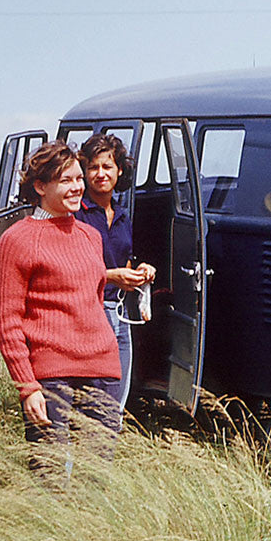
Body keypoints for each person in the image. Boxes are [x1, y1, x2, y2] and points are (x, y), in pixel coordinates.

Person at [0, 141, 122, 472]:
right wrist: (27, 387)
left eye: (79, 178)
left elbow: (93, 302)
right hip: (50, 376)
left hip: (102, 369)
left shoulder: (89, 235)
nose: (78, 186)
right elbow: (8, 323)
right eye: (66, 180)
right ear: (40, 186)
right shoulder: (18, 239)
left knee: (97, 475)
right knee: (50, 476)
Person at [75, 133, 156, 412]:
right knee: (94, 400)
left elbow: (125, 264)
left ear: (119, 170)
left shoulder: (122, 215)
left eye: (107, 167)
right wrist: (110, 276)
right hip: (89, 314)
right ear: (84, 172)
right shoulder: (76, 213)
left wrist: (140, 274)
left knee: (116, 401)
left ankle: (104, 455)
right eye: (93, 167)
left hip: (119, 314)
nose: (100, 174)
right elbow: (69, 269)